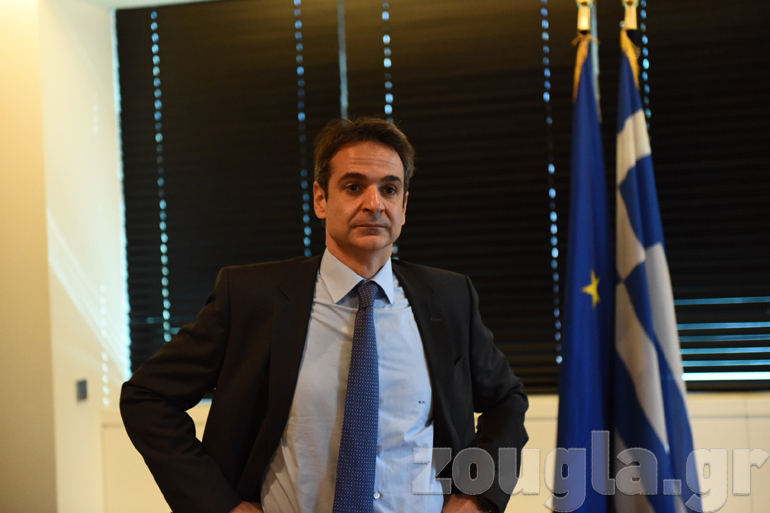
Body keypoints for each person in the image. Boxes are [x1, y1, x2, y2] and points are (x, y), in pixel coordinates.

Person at [121, 117, 528, 513]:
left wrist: (478, 497)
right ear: (321, 199)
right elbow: (147, 397)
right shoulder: (250, 297)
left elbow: (507, 400)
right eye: (354, 187)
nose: (374, 204)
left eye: (389, 189)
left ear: (404, 206)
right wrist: (219, 505)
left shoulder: (449, 298)